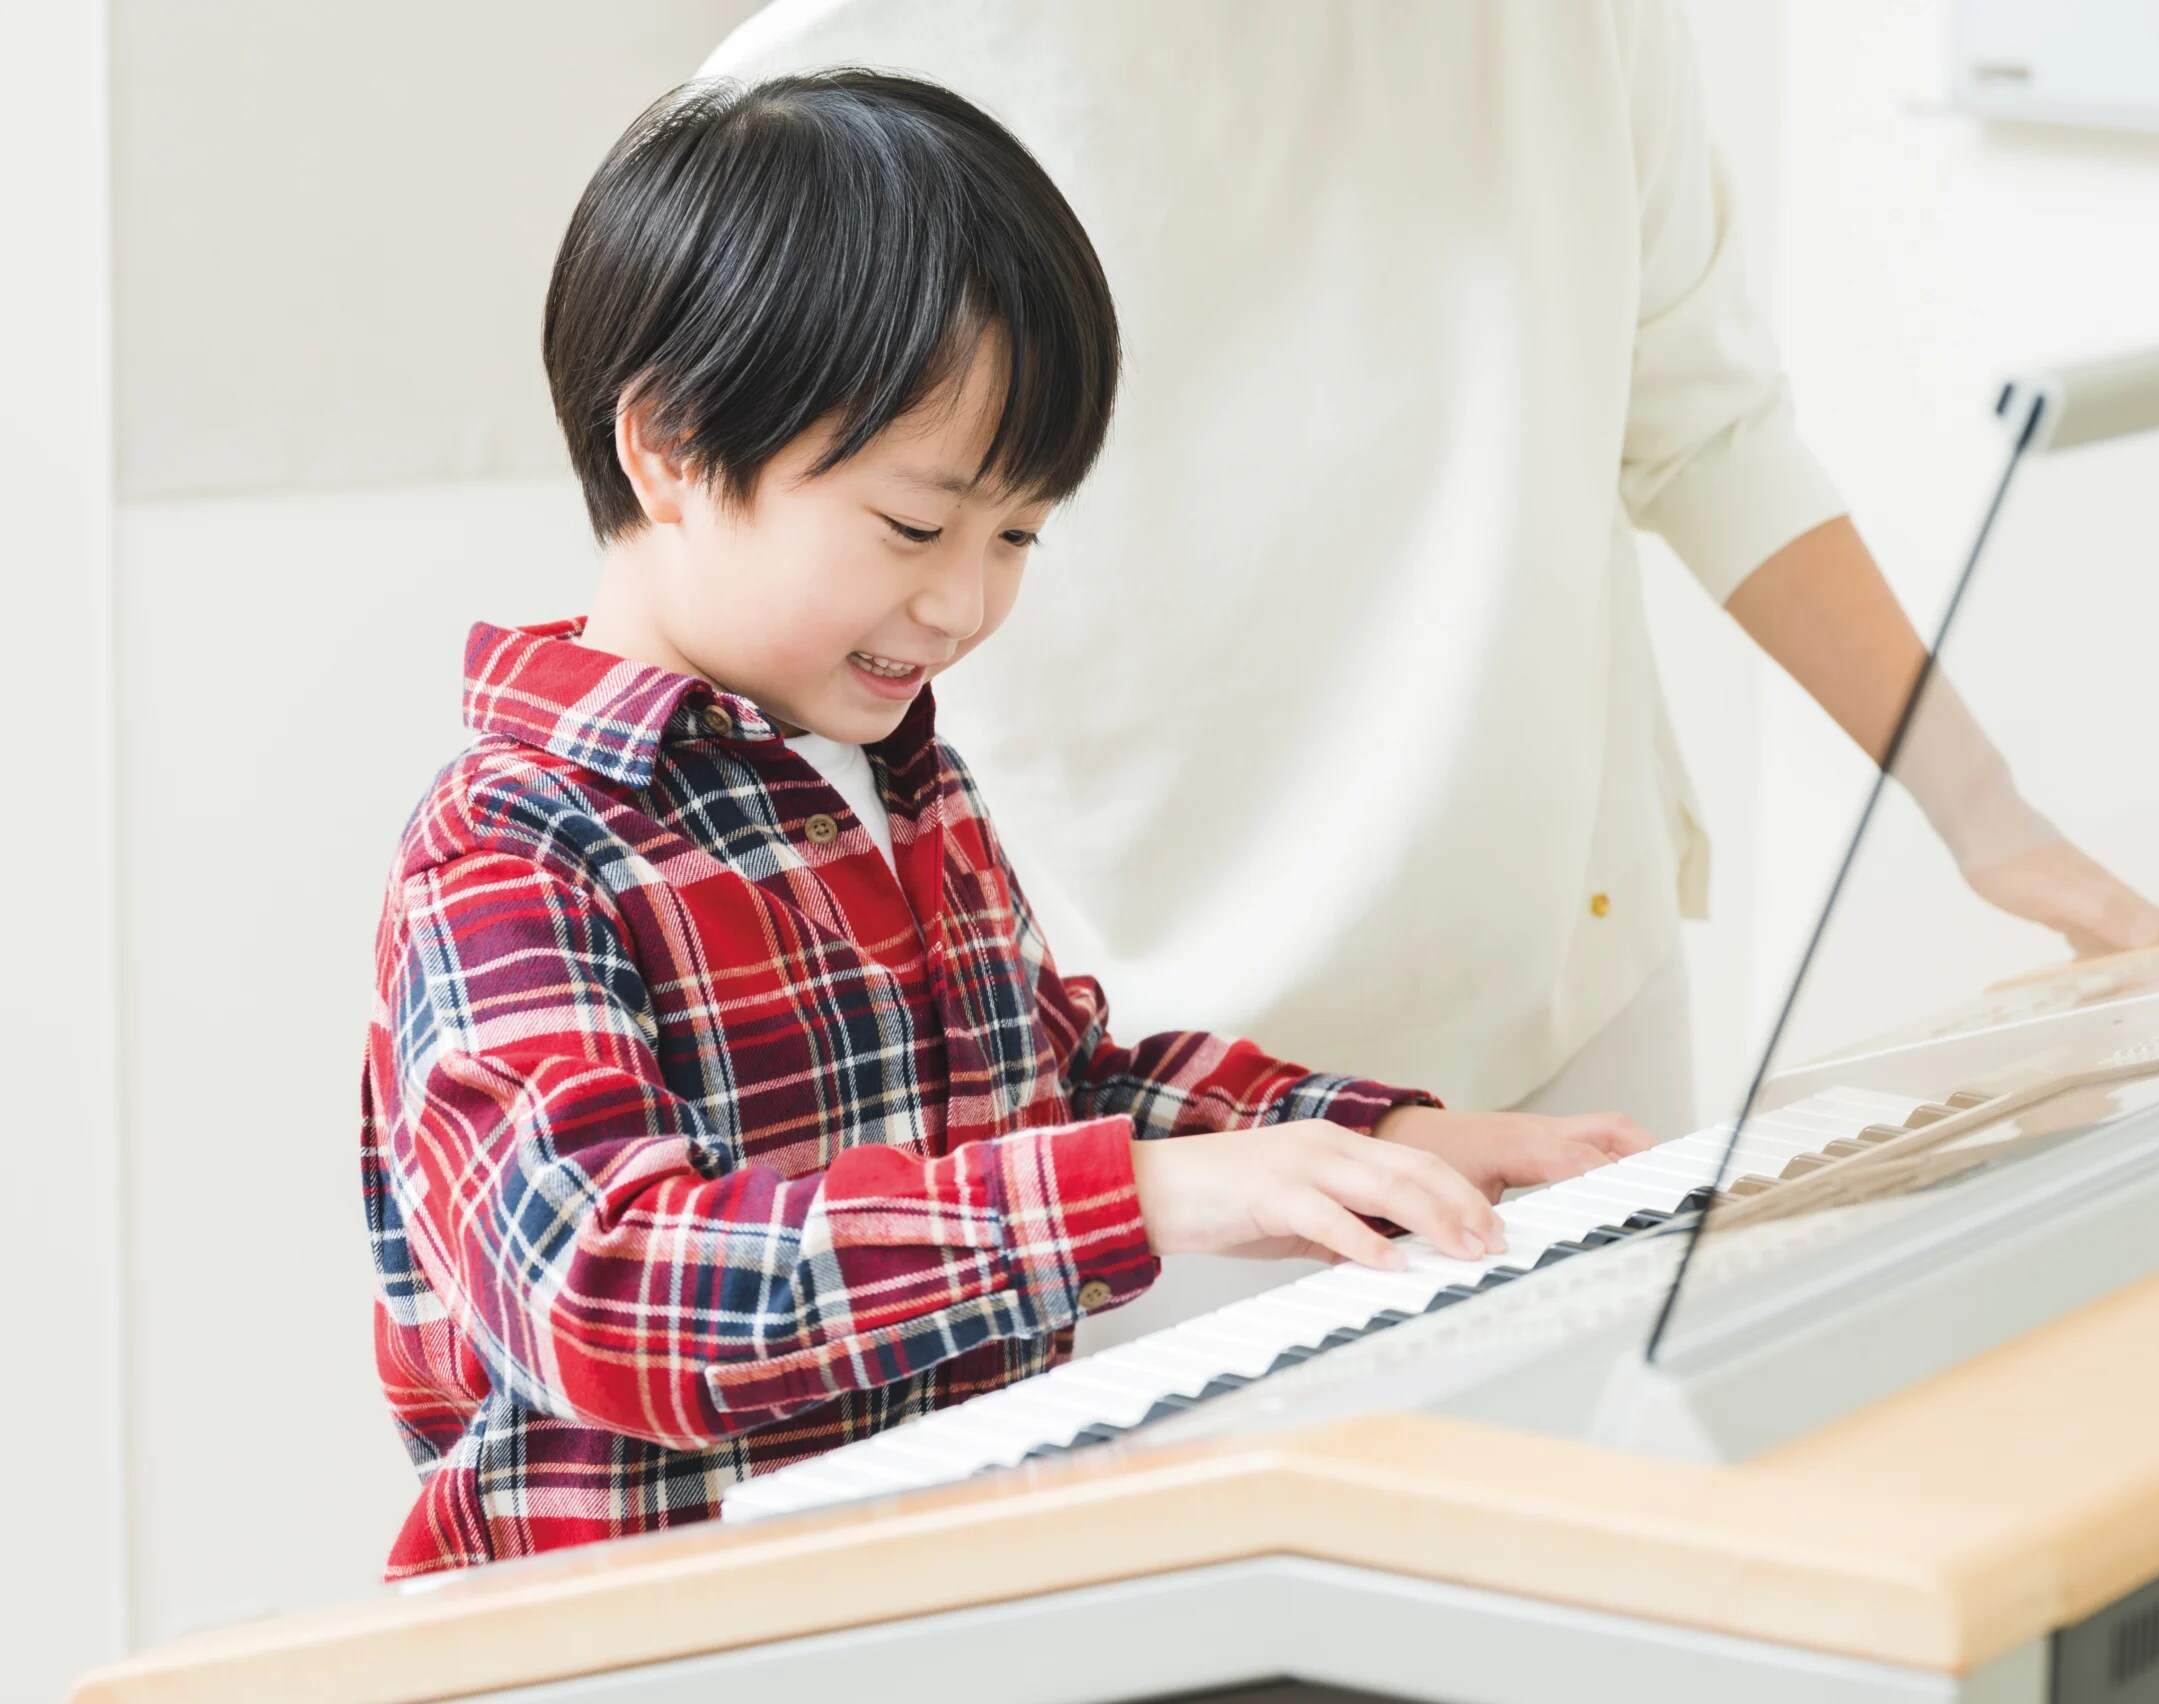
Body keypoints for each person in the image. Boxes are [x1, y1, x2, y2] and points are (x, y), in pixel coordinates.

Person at [358, 70, 1647, 1576]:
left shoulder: (900, 777)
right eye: (915, 527)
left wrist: (1379, 1136)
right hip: (636, 1639)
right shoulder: (515, 842)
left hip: (931, 1598)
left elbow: (1060, 1085)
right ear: (670, 450)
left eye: (1017, 535)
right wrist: (1145, 1195)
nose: (965, 603)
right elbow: (604, 1286)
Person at [697, 3, 2159, 1157]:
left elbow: (1706, 428)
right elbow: (743, 647)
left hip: (1561, 1005)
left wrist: (1990, 821)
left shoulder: (1563, 25)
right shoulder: (827, 92)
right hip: (1140, 1087)